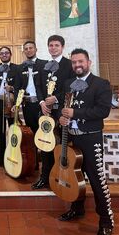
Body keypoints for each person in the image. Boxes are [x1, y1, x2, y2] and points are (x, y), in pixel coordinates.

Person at [58, 48, 114, 235]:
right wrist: (62, 118)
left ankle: (106, 222)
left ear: (89, 62)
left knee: (97, 182)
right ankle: (77, 209)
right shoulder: (68, 83)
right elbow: (63, 108)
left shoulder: (101, 84)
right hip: (72, 140)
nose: (77, 65)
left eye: (80, 61)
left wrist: (75, 114)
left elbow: (102, 111)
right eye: (74, 62)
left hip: (91, 140)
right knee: (75, 178)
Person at [32, 35, 74, 189]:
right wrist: (42, 102)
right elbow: (38, 86)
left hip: (61, 113)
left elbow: (70, 87)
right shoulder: (44, 65)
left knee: (60, 145)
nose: (53, 48)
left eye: (56, 45)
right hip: (46, 112)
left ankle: (60, 176)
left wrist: (56, 98)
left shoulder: (69, 65)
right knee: (45, 145)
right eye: (51, 45)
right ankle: (45, 177)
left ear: (62, 47)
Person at [13, 41, 46, 170]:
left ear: (36, 49)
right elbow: (17, 87)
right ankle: (34, 162)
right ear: (24, 51)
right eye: (26, 49)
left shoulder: (44, 64)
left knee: (43, 133)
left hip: (41, 104)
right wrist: (17, 103)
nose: (28, 50)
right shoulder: (20, 68)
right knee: (31, 133)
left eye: (30, 48)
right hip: (28, 105)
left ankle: (46, 162)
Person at [0, 46, 18, 166]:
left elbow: (20, 85)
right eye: (2, 53)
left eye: (6, 53)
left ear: (10, 54)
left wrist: (12, 88)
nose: (4, 55)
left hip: (11, 102)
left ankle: (13, 156)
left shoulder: (16, 68)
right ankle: (0, 159)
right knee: (0, 130)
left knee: (12, 129)